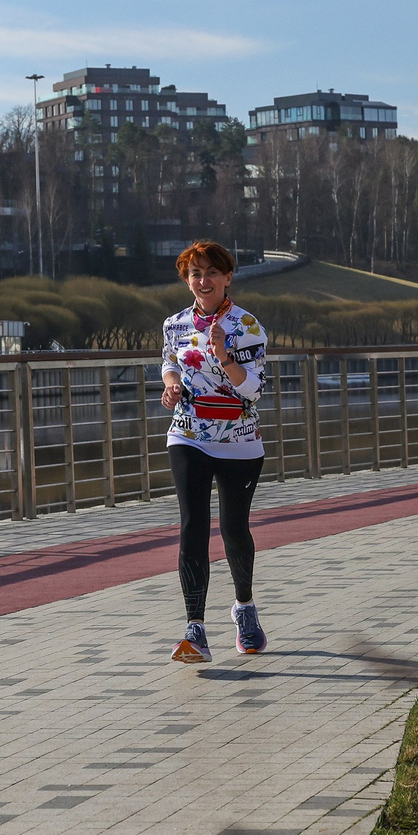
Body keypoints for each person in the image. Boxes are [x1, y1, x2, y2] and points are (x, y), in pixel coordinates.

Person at [157, 240, 269, 665]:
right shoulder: (175, 324)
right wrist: (170, 383)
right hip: (188, 435)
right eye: (194, 274)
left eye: (210, 273)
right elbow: (170, 360)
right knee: (193, 526)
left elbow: (254, 390)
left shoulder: (248, 326)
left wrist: (223, 354)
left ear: (227, 278)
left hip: (239, 441)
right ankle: (195, 629)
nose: (202, 281)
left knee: (234, 529)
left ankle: (244, 609)